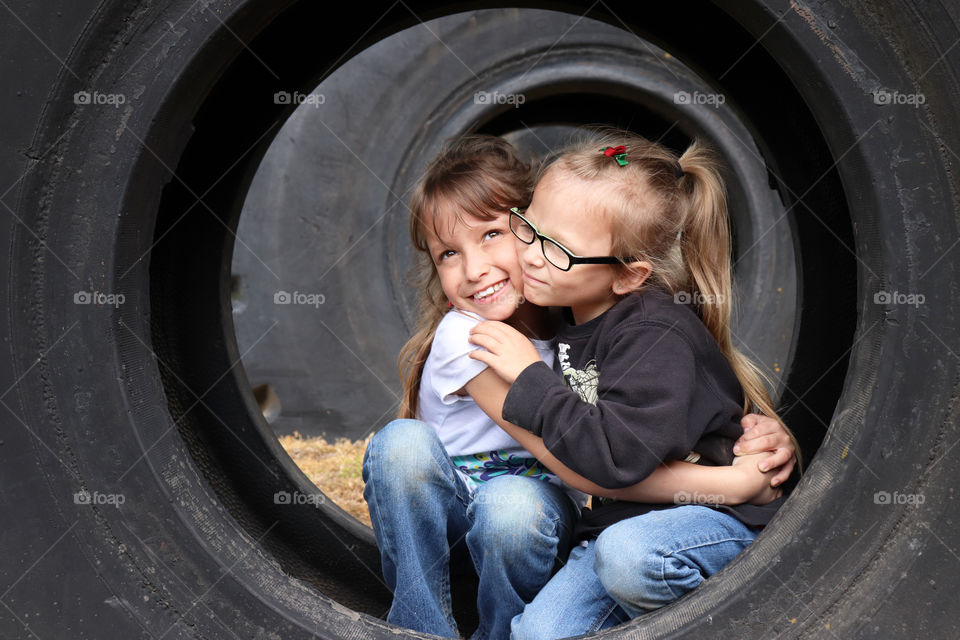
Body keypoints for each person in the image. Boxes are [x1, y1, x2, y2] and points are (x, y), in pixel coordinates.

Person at [362, 135, 797, 640]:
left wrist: (758, 457)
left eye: (493, 235)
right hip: (577, 519)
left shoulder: (615, 321)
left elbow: (611, 451)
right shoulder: (553, 310)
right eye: (532, 231)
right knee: (405, 449)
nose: (483, 267)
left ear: (627, 275)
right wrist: (738, 480)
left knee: (527, 514)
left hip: (618, 520)